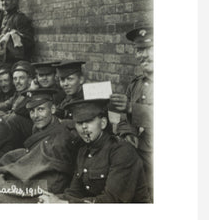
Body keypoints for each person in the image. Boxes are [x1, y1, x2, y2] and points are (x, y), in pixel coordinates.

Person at [38, 98, 150, 203]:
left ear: (103, 123)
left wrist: (63, 203)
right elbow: (75, 192)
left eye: (89, 121)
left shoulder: (121, 151)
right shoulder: (83, 150)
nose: (84, 127)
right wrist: (53, 199)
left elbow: (112, 201)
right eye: (79, 123)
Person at [110, 26, 154, 200]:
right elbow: (122, 117)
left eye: (149, 49)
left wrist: (131, 108)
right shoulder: (135, 84)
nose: (143, 55)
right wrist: (127, 133)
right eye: (139, 50)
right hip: (138, 159)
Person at [0, 0, 34, 78]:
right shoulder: (5, 17)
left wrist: (12, 38)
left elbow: (29, 42)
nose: (4, 2)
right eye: (2, 0)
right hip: (4, 61)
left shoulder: (20, 18)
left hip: (15, 63)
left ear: (13, 0)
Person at [0, 60, 34, 148]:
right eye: (15, 79)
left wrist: (31, 90)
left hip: (31, 132)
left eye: (21, 78)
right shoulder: (18, 93)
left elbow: (18, 110)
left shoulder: (33, 94)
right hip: (16, 131)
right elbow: (6, 104)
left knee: (11, 118)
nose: (17, 82)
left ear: (30, 80)